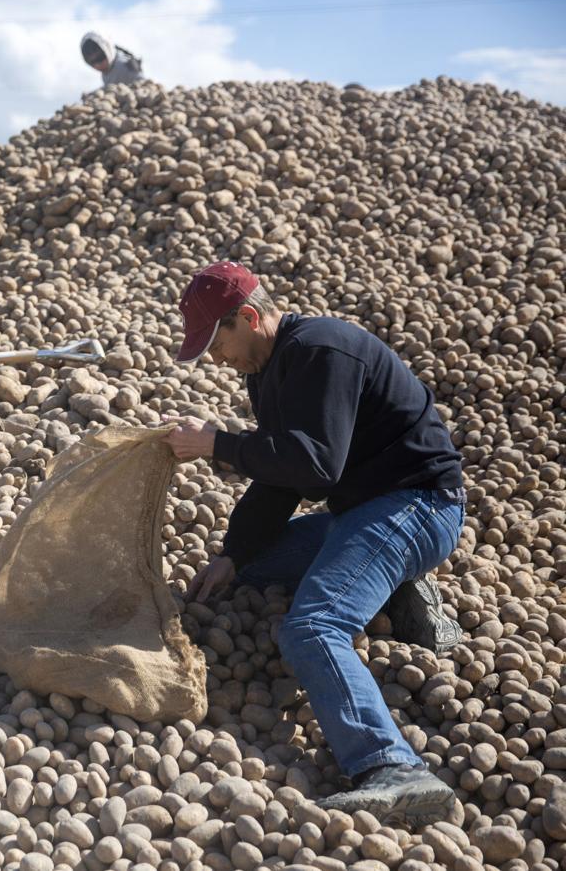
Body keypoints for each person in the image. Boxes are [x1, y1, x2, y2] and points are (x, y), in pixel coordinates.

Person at [163, 260, 466, 824]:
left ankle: (392, 768)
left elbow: (316, 467)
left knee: (312, 626)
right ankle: (395, 585)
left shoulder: (322, 351)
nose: (218, 361)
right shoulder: (267, 372)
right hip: (360, 515)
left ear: (249, 317)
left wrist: (218, 445)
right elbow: (281, 477)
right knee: (255, 569)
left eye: (217, 344)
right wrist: (233, 553)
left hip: (418, 505)